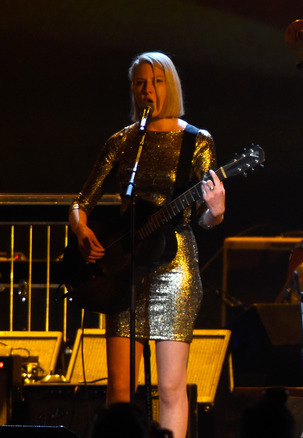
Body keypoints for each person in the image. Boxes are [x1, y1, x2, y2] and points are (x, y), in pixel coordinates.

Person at [69, 51, 225, 438]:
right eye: (140, 83)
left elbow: (205, 220)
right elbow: (81, 202)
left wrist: (216, 212)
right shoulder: (123, 142)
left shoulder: (197, 141)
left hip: (176, 266)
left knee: (171, 388)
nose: (147, 90)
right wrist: (80, 229)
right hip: (125, 268)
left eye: (155, 81)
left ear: (169, 85)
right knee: (120, 391)